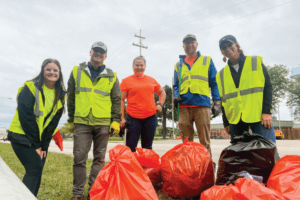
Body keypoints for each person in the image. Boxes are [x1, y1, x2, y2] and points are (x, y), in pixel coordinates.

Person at [67, 41, 121, 200]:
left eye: (101, 52)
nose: (98, 53)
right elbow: (70, 96)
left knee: (99, 159)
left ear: (105, 55)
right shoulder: (77, 71)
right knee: (79, 158)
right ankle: (77, 194)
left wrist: (116, 120)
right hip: (82, 122)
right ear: (90, 52)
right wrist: (71, 119)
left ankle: (93, 192)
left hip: (103, 123)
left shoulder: (112, 76)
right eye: (95, 50)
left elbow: (116, 100)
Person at [7, 58, 66, 197]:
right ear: (42, 71)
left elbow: (52, 124)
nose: (52, 72)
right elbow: (26, 117)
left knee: (38, 170)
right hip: (20, 135)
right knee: (34, 169)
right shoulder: (31, 87)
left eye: (55, 70)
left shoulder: (61, 94)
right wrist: (36, 145)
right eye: (48, 69)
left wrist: (44, 146)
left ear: (60, 73)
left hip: (38, 140)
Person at [216, 35, 276, 143]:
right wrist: (226, 123)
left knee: (268, 153)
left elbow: (267, 87)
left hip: (258, 116)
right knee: (240, 157)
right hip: (235, 119)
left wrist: (266, 112)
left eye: (229, 44)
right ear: (222, 52)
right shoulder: (221, 75)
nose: (227, 48)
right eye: (223, 47)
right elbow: (223, 100)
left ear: (237, 45)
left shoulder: (255, 62)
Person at [173, 34, 221, 156]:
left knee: (204, 141)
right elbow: (176, 85)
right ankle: (188, 168)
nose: (189, 45)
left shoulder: (207, 60)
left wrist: (217, 102)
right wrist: (176, 95)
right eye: (186, 43)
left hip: (202, 105)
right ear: (183, 46)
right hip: (184, 106)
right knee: (186, 142)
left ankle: (207, 167)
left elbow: (214, 83)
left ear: (197, 44)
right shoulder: (178, 65)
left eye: (192, 42)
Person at [120, 55, 166, 152]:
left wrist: (160, 104)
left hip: (150, 118)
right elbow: (121, 100)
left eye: (141, 65)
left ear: (145, 67)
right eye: (137, 65)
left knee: (147, 148)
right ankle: (131, 167)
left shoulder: (151, 80)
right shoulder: (125, 81)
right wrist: (122, 118)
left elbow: (162, 92)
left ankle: (145, 167)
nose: (139, 67)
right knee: (130, 148)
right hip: (132, 118)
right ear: (133, 66)